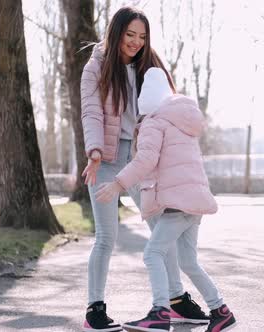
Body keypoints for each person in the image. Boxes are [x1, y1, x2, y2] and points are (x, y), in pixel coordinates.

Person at [80, 6, 209, 332]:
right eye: (130, 35)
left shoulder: (151, 67)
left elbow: (169, 108)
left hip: (143, 162)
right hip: (106, 160)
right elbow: (91, 113)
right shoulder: (95, 68)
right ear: (116, 32)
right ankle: (95, 309)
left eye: (142, 36)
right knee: (106, 237)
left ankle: (177, 300)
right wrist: (94, 151)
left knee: (162, 232)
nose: (136, 42)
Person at [95, 67, 238, 332]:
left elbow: (146, 159)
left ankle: (160, 312)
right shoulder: (184, 119)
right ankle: (221, 310)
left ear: (145, 100)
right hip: (195, 201)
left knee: (153, 254)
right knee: (188, 262)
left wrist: (118, 183)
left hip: (176, 203)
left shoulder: (155, 121)